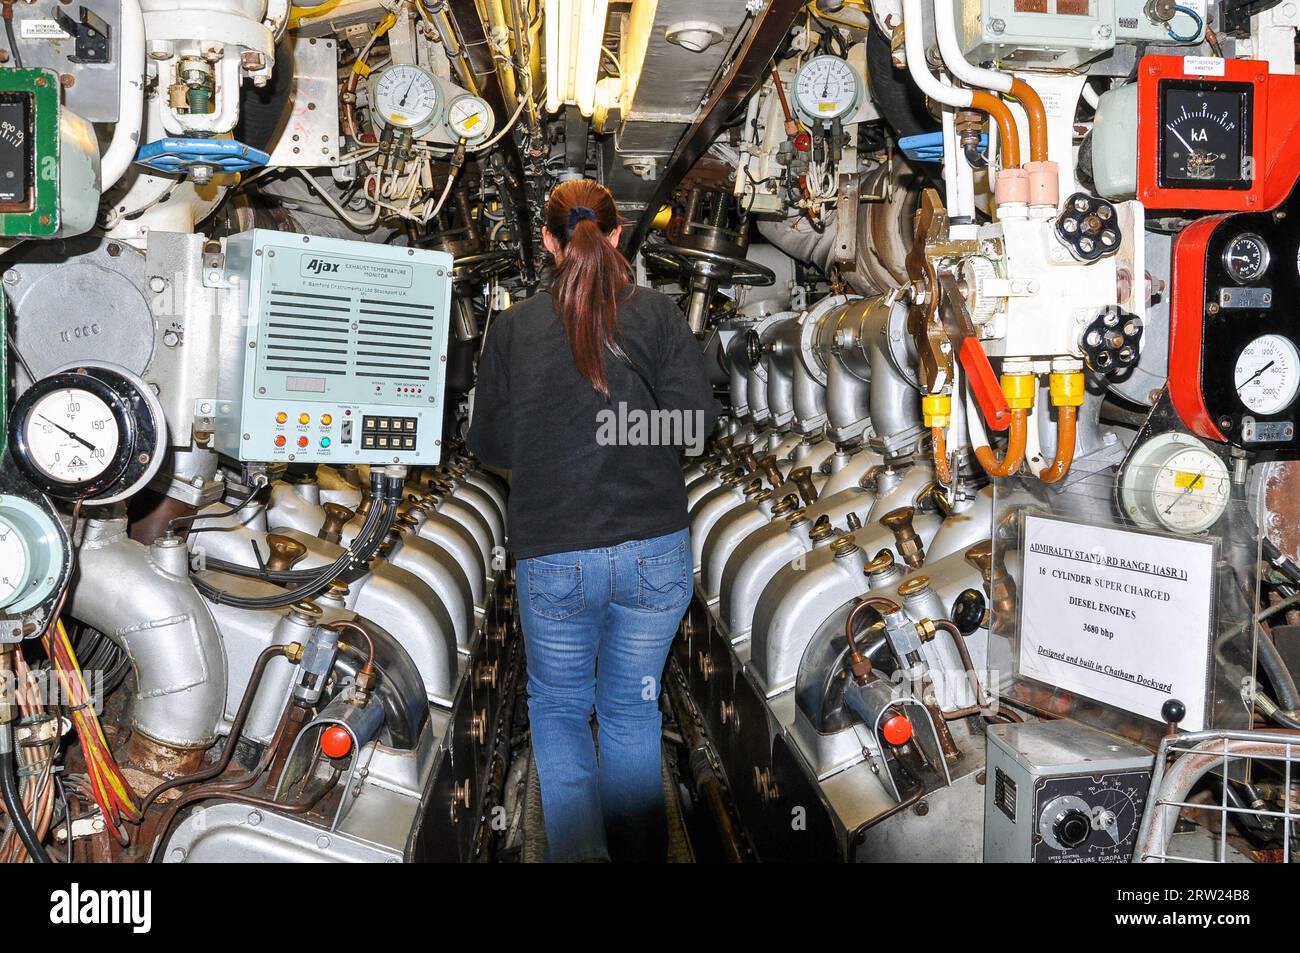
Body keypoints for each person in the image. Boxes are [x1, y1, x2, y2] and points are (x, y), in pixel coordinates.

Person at [467, 179, 720, 862]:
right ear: (616, 235)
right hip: (653, 560)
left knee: (558, 710)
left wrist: (555, 444)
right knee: (633, 709)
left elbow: (487, 446)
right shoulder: (661, 315)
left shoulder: (513, 327)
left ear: (549, 242)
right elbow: (699, 424)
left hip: (556, 560)